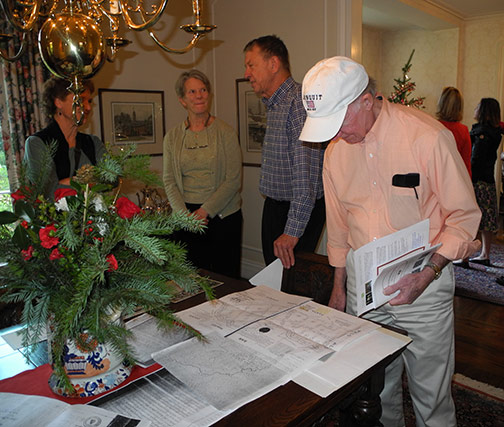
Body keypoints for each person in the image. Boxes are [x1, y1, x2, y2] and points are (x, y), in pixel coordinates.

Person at [299, 56, 481, 427]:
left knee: (430, 394)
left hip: (424, 284)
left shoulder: (427, 138)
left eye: (339, 121)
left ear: (366, 100)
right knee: (375, 391)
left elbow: (465, 219)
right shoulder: (335, 153)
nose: (335, 134)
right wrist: (339, 289)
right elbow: (338, 226)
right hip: (363, 288)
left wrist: (427, 274)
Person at [243, 35, 325, 269]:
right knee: (273, 283)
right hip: (276, 207)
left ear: (273, 64)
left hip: (295, 210)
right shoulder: (275, 104)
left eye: (251, 65)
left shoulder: (297, 104)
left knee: (290, 290)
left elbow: (306, 179)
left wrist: (292, 231)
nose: (247, 73)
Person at [163, 69, 243, 278]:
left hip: (222, 216)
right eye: (192, 92)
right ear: (182, 100)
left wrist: (204, 211)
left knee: (224, 282)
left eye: (203, 90)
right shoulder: (172, 137)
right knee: (189, 283)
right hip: (185, 218)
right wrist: (185, 217)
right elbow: (169, 180)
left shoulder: (226, 132)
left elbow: (233, 180)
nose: (199, 95)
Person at [24, 77, 105, 198]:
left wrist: (67, 182)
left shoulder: (93, 142)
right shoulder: (37, 143)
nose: (88, 108)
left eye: (89, 101)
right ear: (58, 102)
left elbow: (112, 179)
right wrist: (90, 181)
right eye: (81, 100)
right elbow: (48, 193)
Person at [467, 98, 502, 267]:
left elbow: (475, 159)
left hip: (477, 180)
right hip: (488, 179)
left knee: (473, 217)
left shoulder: (481, 133)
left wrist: (468, 177)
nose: (475, 109)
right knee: (488, 218)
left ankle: (466, 255)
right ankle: (485, 254)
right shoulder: (496, 132)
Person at [436, 86, 472, 176]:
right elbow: (466, 164)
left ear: (441, 103)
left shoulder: (433, 127)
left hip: (436, 178)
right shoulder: (463, 131)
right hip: (455, 179)